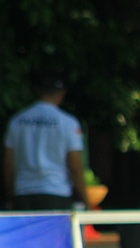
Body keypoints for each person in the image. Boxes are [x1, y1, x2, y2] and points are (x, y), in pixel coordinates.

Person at [3, 73, 89, 211]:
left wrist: (10, 195)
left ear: (37, 90)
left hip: (24, 192)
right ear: (62, 92)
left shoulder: (17, 121)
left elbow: (8, 164)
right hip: (56, 192)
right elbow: (75, 166)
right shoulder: (68, 122)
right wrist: (86, 200)